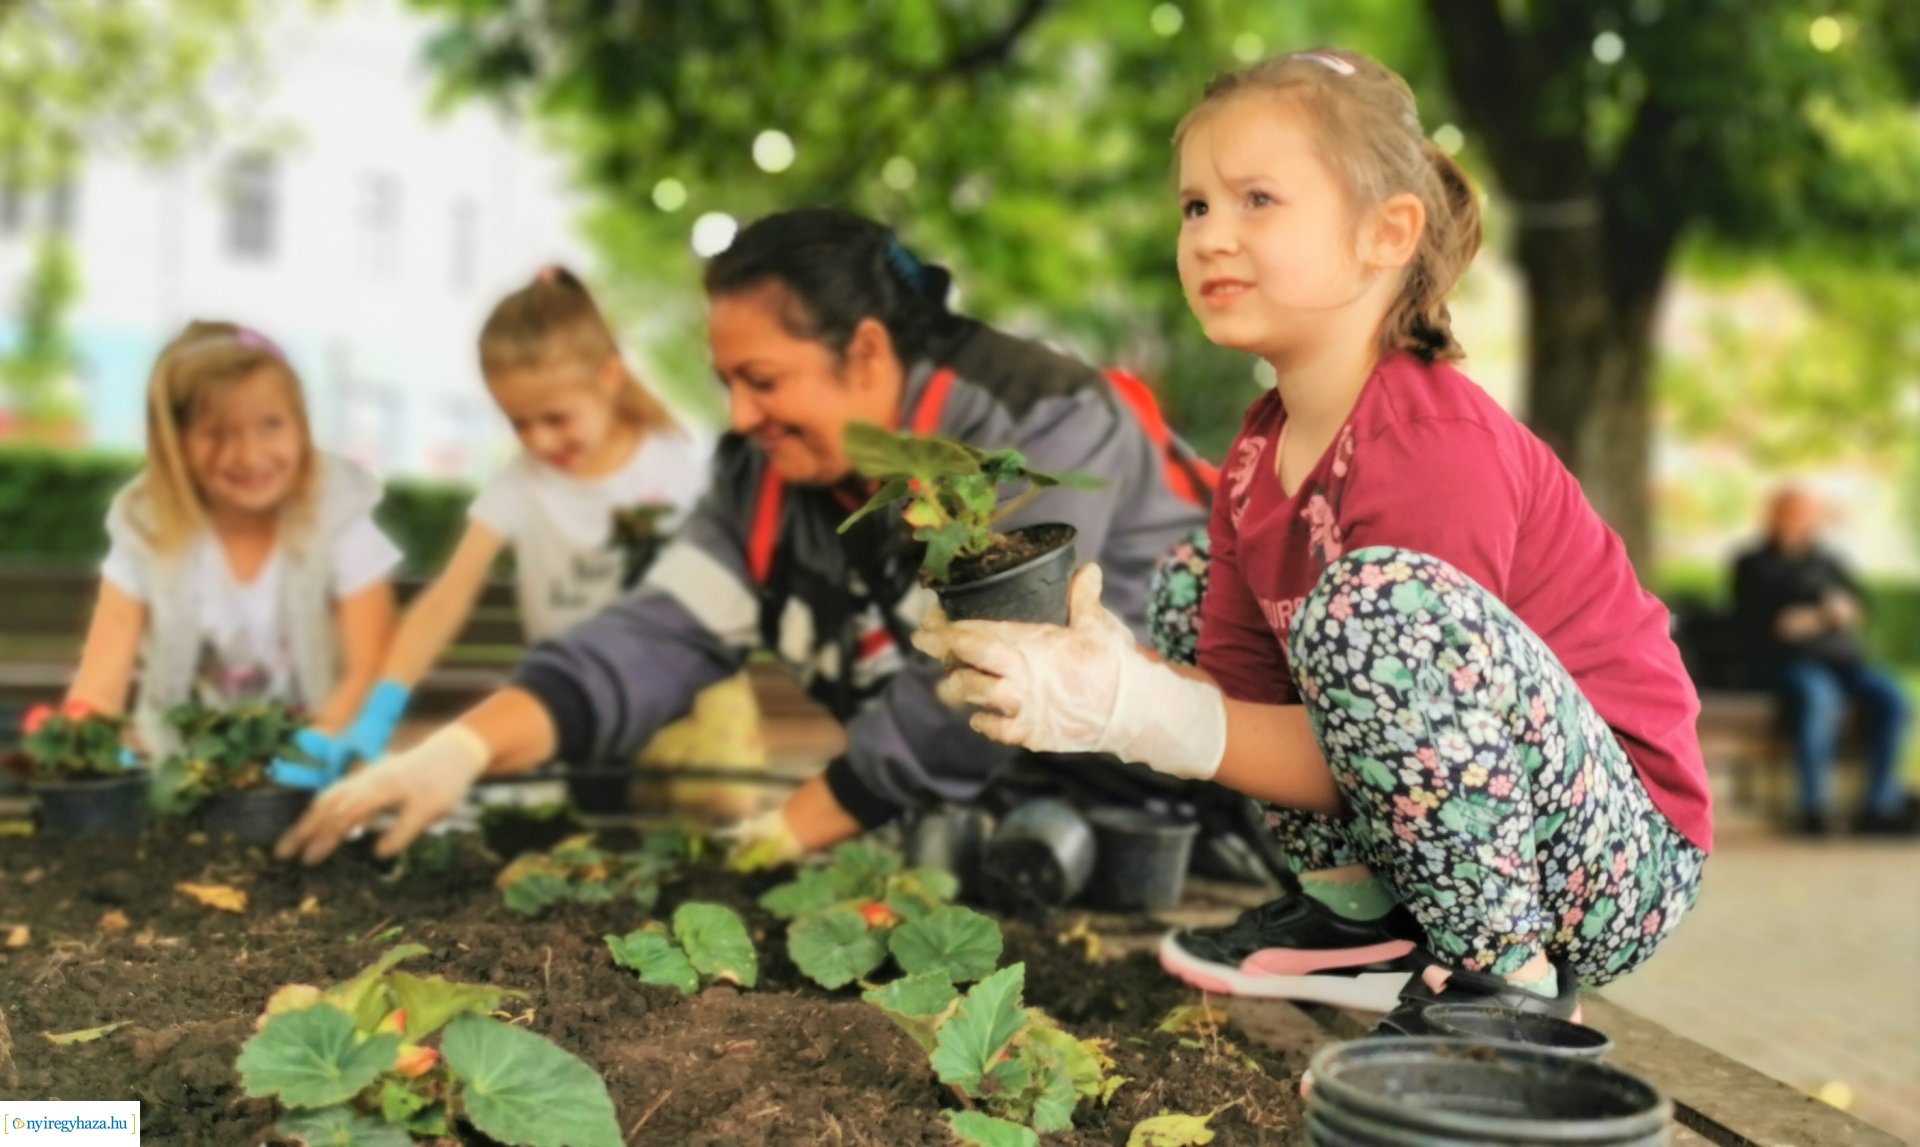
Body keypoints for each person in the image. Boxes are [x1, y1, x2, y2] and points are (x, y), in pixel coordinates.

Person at [918, 49, 1711, 1035]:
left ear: (1387, 233)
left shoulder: (1428, 441)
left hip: (1606, 858)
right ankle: (1358, 916)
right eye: (1195, 206)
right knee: (1187, 582)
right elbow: (1244, 712)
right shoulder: (1259, 454)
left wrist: (1137, 711)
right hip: (1449, 818)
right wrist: (1089, 680)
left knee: (1369, 605)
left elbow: (1413, 742)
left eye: (1258, 199)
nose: (1210, 235)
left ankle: (1501, 982)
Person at [275, 207, 1213, 865]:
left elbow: (991, 670)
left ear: (867, 352)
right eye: (726, 383)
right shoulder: (766, 482)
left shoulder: (1038, 417)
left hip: (1200, 840)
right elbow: (651, 638)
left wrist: (786, 831)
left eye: (762, 380)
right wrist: (461, 751)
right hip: (1010, 852)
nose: (740, 415)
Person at [310, 267, 765, 811]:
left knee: (713, 841)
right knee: (596, 845)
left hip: (692, 713)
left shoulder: (674, 471)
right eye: (520, 424)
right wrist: (379, 713)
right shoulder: (521, 486)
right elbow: (447, 599)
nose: (541, 440)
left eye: (556, 418)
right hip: (578, 714)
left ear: (610, 375)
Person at [65, 321, 399, 767]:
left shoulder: (339, 514)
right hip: (185, 779)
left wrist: (302, 761)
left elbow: (368, 671)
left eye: (271, 424)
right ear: (174, 443)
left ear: (301, 425)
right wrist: (84, 754)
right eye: (218, 433)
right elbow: (99, 690)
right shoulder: (146, 529)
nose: (249, 455)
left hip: (319, 774)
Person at [1733, 487, 1914, 835]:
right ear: (1774, 516)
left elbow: (1859, 607)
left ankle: (1878, 807)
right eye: (1792, 513)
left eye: (1807, 514)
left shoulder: (1829, 562)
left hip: (1845, 662)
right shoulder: (1753, 564)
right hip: (1788, 663)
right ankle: (1814, 809)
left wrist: (1837, 614)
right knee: (1821, 698)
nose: (1800, 521)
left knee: (1894, 700)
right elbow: (1770, 624)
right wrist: (1822, 616)